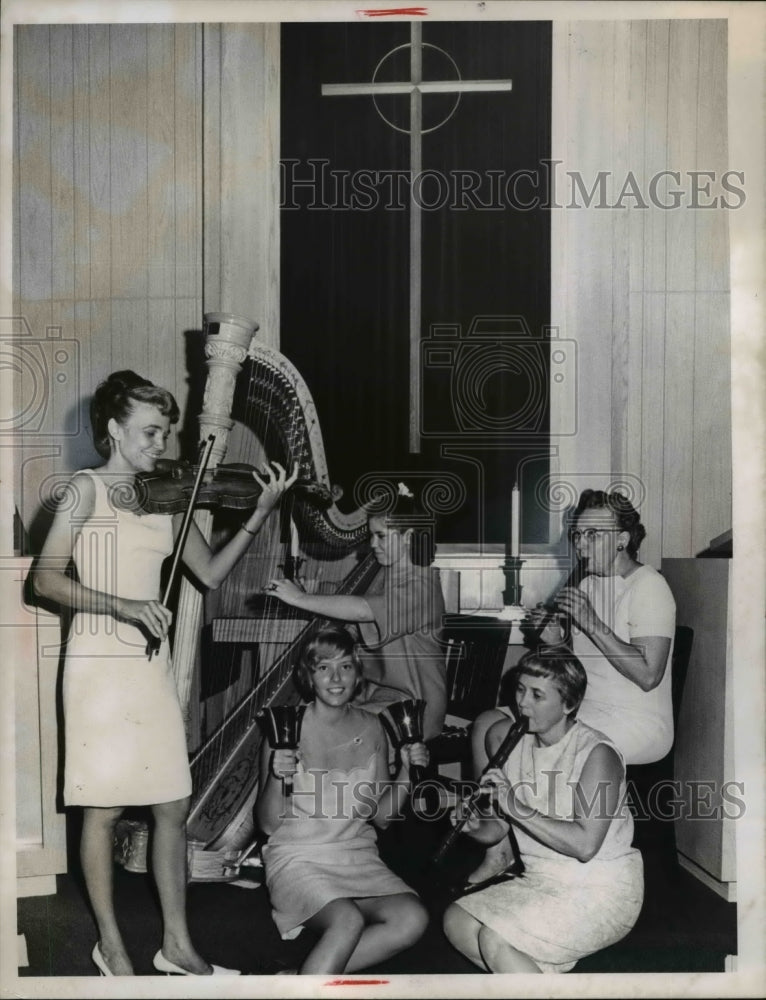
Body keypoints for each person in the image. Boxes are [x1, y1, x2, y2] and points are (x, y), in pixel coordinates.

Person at [32, 370, 297, 977]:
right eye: (150, 431)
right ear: (113, 431)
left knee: (172, 805)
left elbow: (208, 573)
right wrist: (123, 605)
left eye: (167, 430)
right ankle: (113, 946)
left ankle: (177, 945)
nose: (161, 443)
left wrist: (258, 512)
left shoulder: (167, 497)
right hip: (98, 665)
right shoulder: (85, 489)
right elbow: (44, 578)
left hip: (147, 669)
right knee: (99, 810)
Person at [468, 487, 676, 882]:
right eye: (578, 535)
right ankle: (500, 848)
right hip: (588, 707)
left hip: (638, 722)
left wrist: (592, 623)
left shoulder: (650, 587)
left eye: (593, 535)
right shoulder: (588, 584)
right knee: (483, 726)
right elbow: (578, 667)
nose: (582, 545)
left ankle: (535, 850)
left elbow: (649, 675)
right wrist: (552, 641)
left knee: (511, 736)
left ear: (622, 538)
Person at [443, 648, 643, 974]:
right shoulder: (515, 744)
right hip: (541, 882)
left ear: (569, 704)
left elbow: (584, 846)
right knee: (457, 921)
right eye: (521, 690)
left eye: (537, 695)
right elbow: (498, 830)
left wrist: (514, 806)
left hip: (600, 891)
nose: (522, 703)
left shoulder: (597, 754)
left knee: (495, 939)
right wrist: (472, 827)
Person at [256, 626, 429, 974]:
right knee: (346, 921)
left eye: (345, 667)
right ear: (309, 676)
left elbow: (381, 816)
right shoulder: (286, 730)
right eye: (324, 668)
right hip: (299, 857)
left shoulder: (374, 727)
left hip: (355, 854)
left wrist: (407, 771)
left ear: (357, 672)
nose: (336, 678)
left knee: (412, 918)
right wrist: (278, 776)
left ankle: (306, 977)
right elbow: (268, 824)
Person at [268, 484, 447, 741]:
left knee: (322, 734)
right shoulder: (385, 574)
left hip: (414, 704)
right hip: (376, 694)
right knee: (289, 729)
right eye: (371, 536)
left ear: (408, 536)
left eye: (381, 536)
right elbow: (353, 605)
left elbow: (363, 610)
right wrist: (307, 593)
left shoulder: (423, 586)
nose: (372, 544)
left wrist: (300, 599)